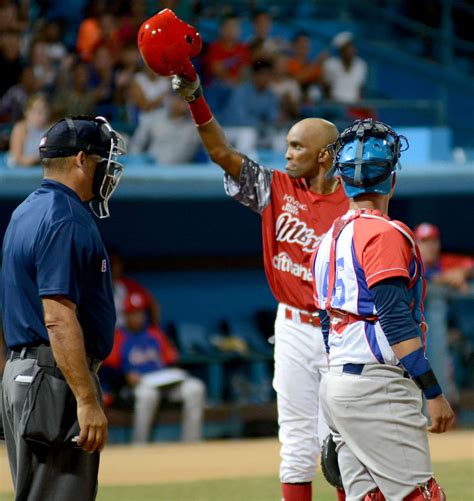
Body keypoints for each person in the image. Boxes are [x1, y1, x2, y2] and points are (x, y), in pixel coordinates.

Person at [170, 71, 349, 501]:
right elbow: (220, 151)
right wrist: (196, 96)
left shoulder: (352, 203)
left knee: (342, 448)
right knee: (296, 444)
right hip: (291, 327)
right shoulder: (275, 187)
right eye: (287, 144)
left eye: (296, 146)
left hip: (340, 331)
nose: (286, 154)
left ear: (324, 156)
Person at [312, 119, 455, 499]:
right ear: (391, 180)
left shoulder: (327, 240)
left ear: (342, 181)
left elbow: (326, 323)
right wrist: (433, 392)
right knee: (418, 496)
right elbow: (395, 319)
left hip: (338, 380)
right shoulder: (384, 233)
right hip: (378, 384)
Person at [0, 115, 126, 500]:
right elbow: (57, 317)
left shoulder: (25, 212)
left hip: (25, 373)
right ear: (81, 160)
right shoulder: (66, 218)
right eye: (103, 159)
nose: (108, 169)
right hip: (53, 377)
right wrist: (87, 400)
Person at [103, 291, 206, 444]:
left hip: (165, 383)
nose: (138, 317)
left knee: (196, 388)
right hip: (138, 386)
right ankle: (140, 445)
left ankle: (191, 443)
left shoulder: (155, 334)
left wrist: (173, 371)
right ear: (126, 315)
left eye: (140, 313)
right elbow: (107, 370)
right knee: (148, 395)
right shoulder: (118, 337)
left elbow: (170, 360)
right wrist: (125, 377)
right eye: (133, 313)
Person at [414, 222, 474, 292]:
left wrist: (463, 272)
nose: (430, 246)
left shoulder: (445, 260)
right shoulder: (409, 265)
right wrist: (444, 277)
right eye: (424, 242)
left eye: (433, 241)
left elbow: (470, 266)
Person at [323, 31, 368, 105]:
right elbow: (326, 89)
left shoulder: (361, 64)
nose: (352, 50)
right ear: (341, 51)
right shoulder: (331, 64)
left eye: (352, 46)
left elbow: (360, 89)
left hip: (354, 107)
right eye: (348, 48)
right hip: (335, 107)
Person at [8, 93, 50, 167]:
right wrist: (36, 159)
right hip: (20, 172)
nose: (40, 116)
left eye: (44, 112)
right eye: (36, 111)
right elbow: (17, 158)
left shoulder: (50, 130)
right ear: (27, 112)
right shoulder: (20, 129)